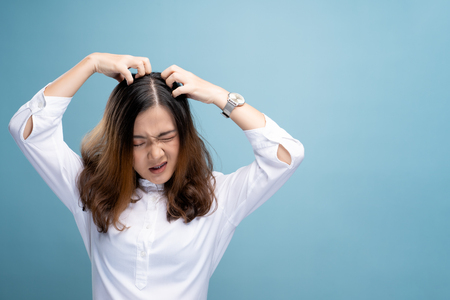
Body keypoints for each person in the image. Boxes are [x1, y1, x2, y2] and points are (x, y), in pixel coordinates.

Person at [9, 53, 305, 299]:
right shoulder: (92, 189)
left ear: (184, 134)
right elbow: (27, 130)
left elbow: (286, 156)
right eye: (139, 142)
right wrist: (91, 63)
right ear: (121, 143)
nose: (156, 154)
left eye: (166, 137)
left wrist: (218, 96)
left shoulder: (217, 196)